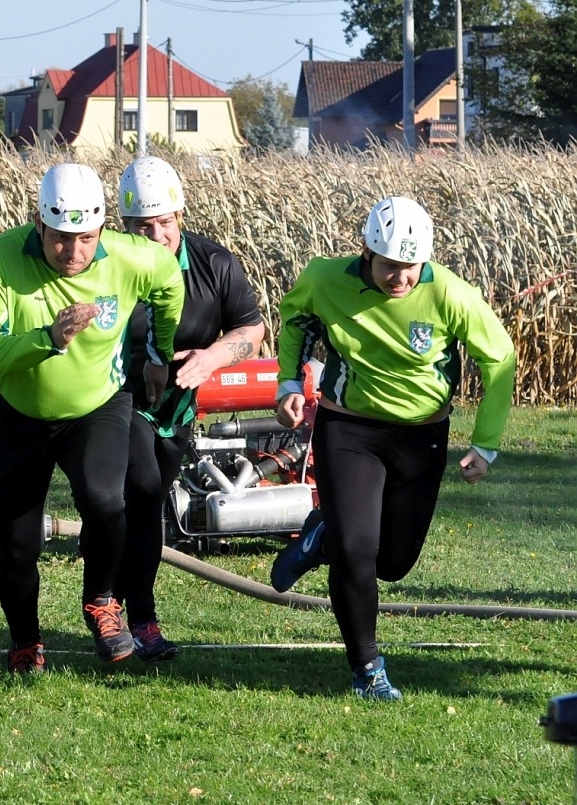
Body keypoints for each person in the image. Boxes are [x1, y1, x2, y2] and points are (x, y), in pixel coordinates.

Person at [269, 196, 515, 701]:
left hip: (421, 436)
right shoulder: (324, 278)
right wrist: (289, 385)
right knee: (358, 552)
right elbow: (295, 319)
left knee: (393, 563)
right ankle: (366, 668)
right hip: (349, 430)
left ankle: (322, 536)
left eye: (410, 267)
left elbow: (500, 360)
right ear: (366, 252)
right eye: (389, 267)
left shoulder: (450, 292)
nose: (399, 279)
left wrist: (485, 444)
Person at [0, 162, 183, 674]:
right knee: (18, 544)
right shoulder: (1, 259)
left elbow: (169, 284)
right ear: (38, 226)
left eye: (86, 238)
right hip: (17, 414)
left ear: (104, 229)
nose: (74, 252)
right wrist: (46, 339)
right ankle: (25, 642)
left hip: (98, 406)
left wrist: (159, 352)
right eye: (61, 238)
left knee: (107, 500)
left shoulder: (133, 258)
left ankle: (103, 601)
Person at [112, 157, 265, 662]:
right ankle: (136, 617)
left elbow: (251, 329)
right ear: (123, 224)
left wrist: (213, 357)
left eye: (165, 222)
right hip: (118, 398)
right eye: (141, 225)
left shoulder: (214, 263)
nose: (156, 235)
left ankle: (116, 603)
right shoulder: (107, 263)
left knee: (149, 507)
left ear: (180, 214)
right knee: (142, 491)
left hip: (177, 406)